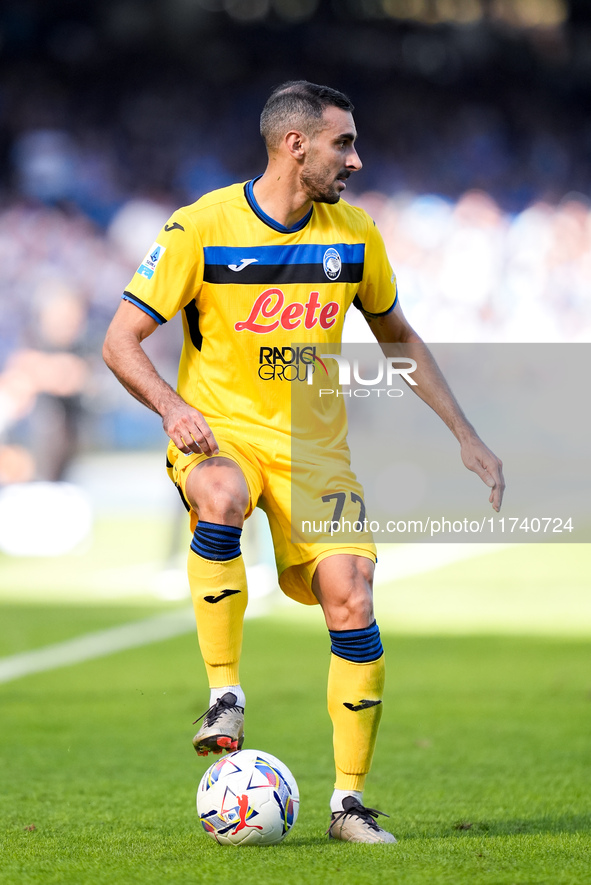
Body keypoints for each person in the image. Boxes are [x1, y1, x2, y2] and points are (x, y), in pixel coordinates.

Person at [103, 80, 504, 844]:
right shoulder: (200, 227)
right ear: (295, 145)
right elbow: (120, 340)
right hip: (221, 434)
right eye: (343, 143)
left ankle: (346, 804)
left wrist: (464, 432)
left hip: (317, 455)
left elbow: (397, 336)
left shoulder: (354, 233)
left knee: (351, 598)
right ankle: (225, 695)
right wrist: (172, 407)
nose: (356, 158)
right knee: (217, 497)